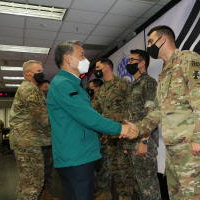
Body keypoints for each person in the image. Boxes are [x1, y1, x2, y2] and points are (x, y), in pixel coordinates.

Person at [46, 40, 138, 200]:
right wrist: (121, 128)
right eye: (81, 55)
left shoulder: (73, 84)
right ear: (68, 59)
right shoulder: (63, 84)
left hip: (81, 154)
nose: (85, 59)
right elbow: (86, 115)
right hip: (76, 157)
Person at [137, 26, 200, 199]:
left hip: (191, 149)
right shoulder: (164, 72)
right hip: (173, 150)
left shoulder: (188, 59)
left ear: (163, 39)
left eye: (151, 41)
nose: (149, 46)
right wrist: (137, 128)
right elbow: (158, 110)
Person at [9, 60, 57, 200]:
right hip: (28, 141)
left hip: (29, 140)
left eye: (42, 71)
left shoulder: (31, 88)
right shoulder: (30, 89)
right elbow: (43, 117)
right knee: (32, 183)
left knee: (27, 181)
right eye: (39, 71)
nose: (42, 74)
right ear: (28, 73)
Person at [92, 58, 134, 200]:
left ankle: (126, 197)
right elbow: (94, 112)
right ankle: (121, 196)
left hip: (124, 137)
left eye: (98, 67)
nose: (95, 70)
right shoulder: (101, 91)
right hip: (110, 138)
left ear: (106, 68)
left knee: (125, 172)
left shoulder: (123, 84)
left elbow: (134, 109)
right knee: (115, 171)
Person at [124, 49, 161, 200]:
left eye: (132, 60)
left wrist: (144, 140)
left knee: (148, 186)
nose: (129, 63)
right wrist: (127, 143)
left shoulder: (149, 82)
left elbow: (151, 114)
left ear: (142, 63)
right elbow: (130, 116)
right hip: (132, 142)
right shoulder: (132, 86)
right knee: (138, 185)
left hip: (144, 142)